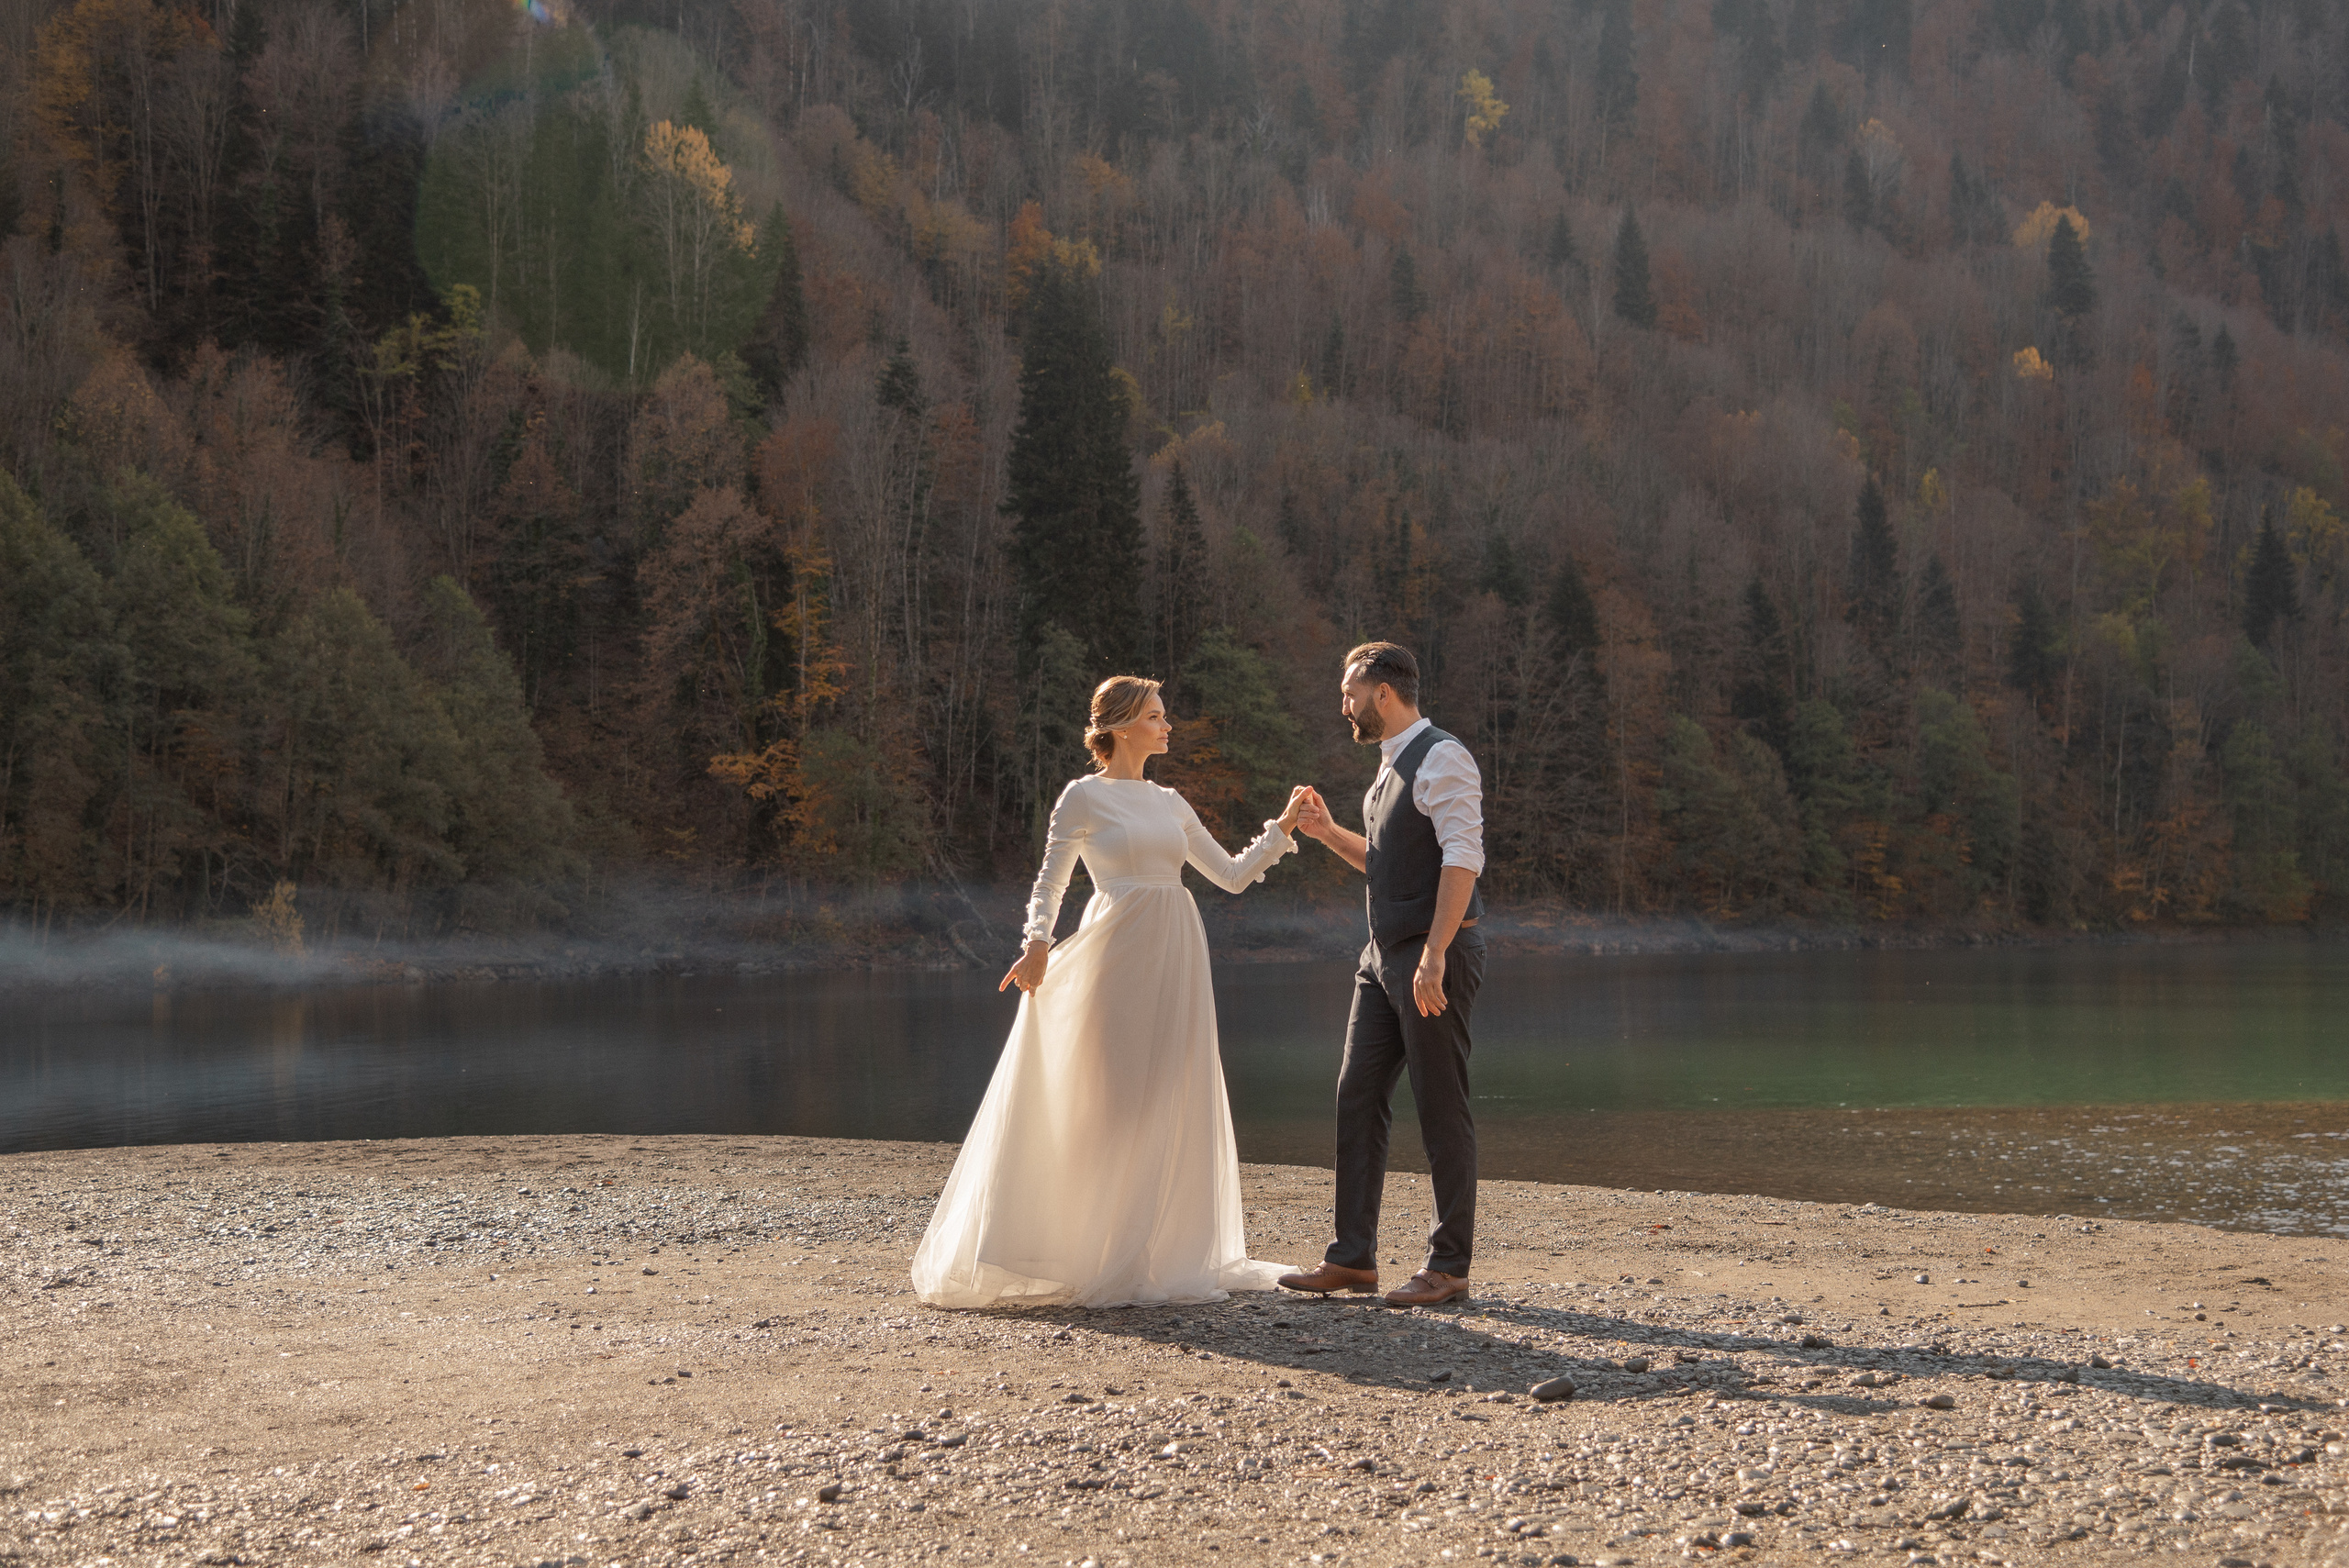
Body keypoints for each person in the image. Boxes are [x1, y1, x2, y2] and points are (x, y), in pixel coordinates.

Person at [910, 674, 1311, 1308]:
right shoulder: (1083, 797)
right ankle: (1089, 1250)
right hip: (1115, 952)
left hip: (1176, 950)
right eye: (1156, 716)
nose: (1167, 725)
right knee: (1112, 1096)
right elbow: (1051, 881)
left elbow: (1231, 876)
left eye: (1164, 715)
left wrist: (1282, 830)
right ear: (1121, 727)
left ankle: (1153, 1251)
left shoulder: (1171, 802)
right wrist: (1037, 941)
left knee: (1170, 1092)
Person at [1281, 641, 1487, 1308]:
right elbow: (1383, 863)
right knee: (1357, 1094)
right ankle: (1353, 1259)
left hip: (1431, 956)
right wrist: (1326, 831)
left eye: (1349, 693)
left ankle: (1448, 1266)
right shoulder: (1389, 765)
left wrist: (1435, 953)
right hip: (1380, 959)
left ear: (1383, 693)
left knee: (1440, 1103)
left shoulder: (1444, 756)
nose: (1343, 705)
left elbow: (1463, 858)